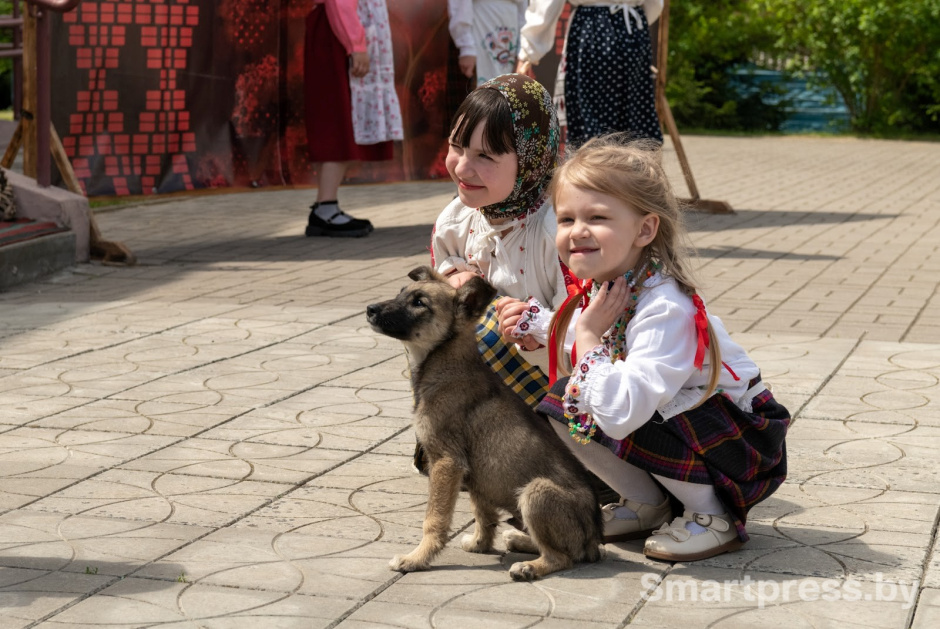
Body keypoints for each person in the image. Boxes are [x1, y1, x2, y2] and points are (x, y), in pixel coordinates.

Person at [534, 134, 790, 561]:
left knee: (629, 400)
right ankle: (646, 505)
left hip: (743, 443)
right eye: (565, 219)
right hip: (695, 424)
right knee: (563, 403)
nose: (577, 231)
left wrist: (589, 338)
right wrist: (541, 324)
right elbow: (590, 330)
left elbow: (621, 414)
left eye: (597, 217)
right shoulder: (617, 284)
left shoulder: (665, 306)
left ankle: (712, 517)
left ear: (645, 229)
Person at [432, 73, 567, 409]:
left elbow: (587, 335)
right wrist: (450, 279)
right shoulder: (455, 220)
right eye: (456, 147)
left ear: (530, 161)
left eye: (485, 156)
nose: (462, 168)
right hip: (488, 391)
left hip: (563, 388)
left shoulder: (558, 233)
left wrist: (537, 331)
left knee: (486, 330)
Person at [304, 0, 403, 238]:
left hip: (343, 36)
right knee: (337, 121)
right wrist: (355, 45)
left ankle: (325, 205)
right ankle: (325, 208)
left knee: (341, 119)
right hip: (339, 39)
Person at [515, 1, 664, 148]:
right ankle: (635, 168)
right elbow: (655, 5)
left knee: (592, 125)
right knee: (634, 117)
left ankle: (596, 168)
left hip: (593, 27)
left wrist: (529, 52)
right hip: (633, 29)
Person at [448, 0, 529, 87]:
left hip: (512, 25)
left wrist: (523, 49)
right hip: (479, 25)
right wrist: (466, 47)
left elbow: (524, 11)